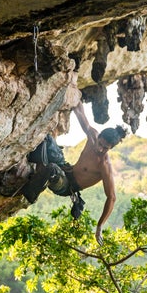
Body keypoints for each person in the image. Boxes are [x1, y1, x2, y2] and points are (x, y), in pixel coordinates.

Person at [21, 103, 127, 244]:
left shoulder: (104, 165)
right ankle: (28, 162)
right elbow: (80, 113)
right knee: (46, 138)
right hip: (65, 167)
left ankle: (28, 195)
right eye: (100, 144)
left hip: (66, 186)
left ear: (111, 148)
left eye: (105, 148)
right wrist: (76, 96)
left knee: (52, 170)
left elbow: (112, 197)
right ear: (99, 136)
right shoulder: (92, 136)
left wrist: (99, 226)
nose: (100, 149)